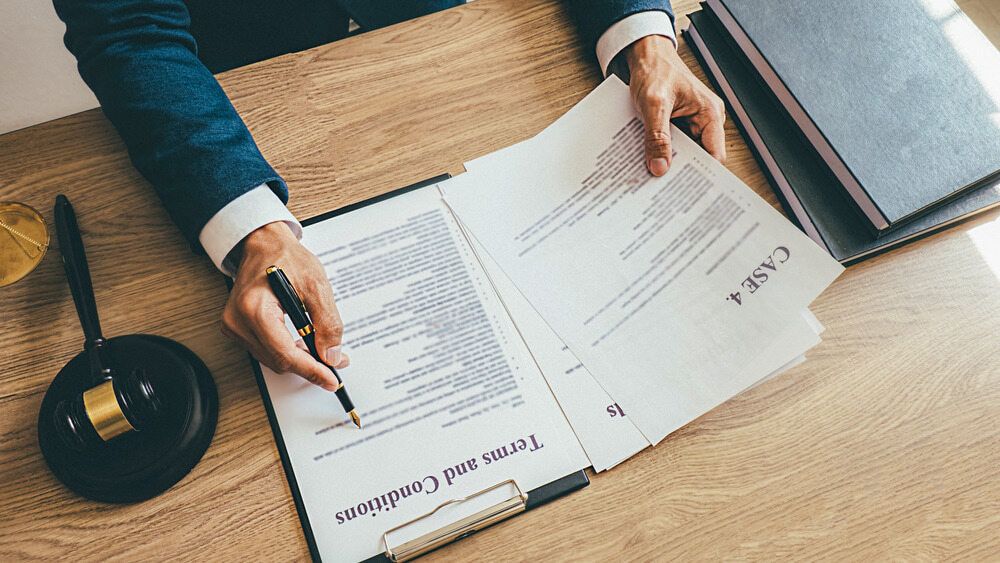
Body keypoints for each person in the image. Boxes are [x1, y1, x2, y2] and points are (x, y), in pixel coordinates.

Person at [54, 0, 726, 391]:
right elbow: (128, 30)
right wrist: (251, 226)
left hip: (453, 55)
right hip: (244, 94)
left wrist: (643, 35)